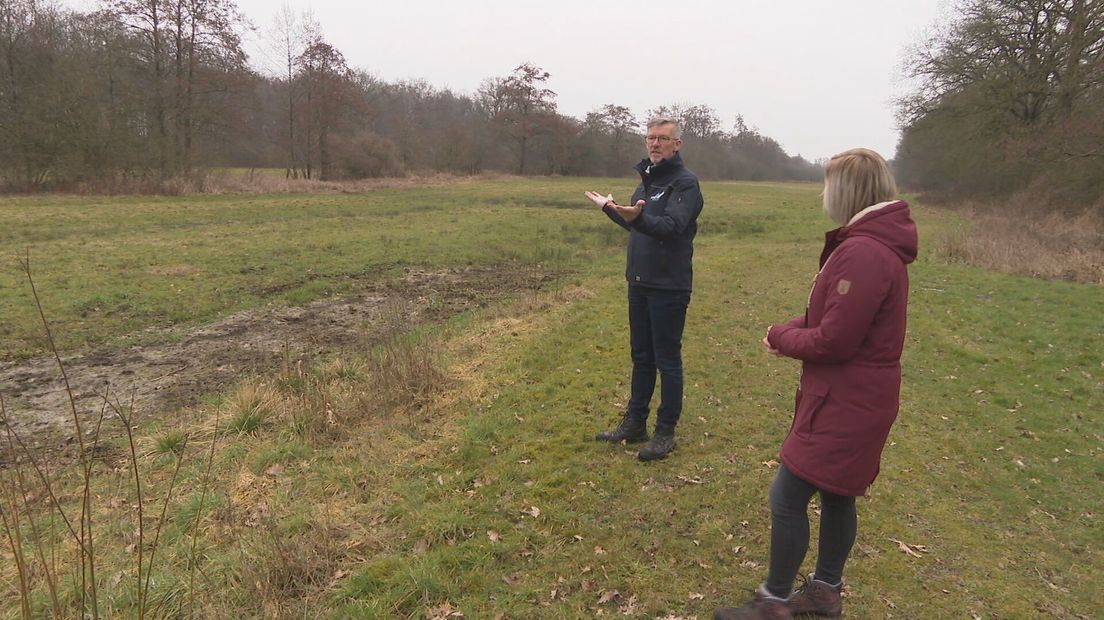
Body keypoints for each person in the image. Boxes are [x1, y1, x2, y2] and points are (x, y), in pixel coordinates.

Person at [714, 148, 918, 619]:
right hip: (855, 396)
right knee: (837, 492)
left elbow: (835, 340)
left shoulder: (863, 252)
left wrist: (783, 338)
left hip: (847, 400)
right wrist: (787, 330)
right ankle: (825, 592)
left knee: (787, 495)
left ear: (847, 190)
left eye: (828, 184)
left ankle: (775, 602)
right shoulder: (869, 245)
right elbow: (829, 318)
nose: (823, 193)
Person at [583, 116, 704, 461]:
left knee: (667, 360)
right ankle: (635, 423)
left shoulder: (686, 184)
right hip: (639, 282)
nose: (654, 144)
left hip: (669, 285)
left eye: (663, 139)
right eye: (650, 138)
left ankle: (665, 432)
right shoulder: (646, 183)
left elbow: (670, 226)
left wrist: (637, 217)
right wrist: (610, 209)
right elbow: (637, 225)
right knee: (641, 357)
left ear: (677, 144)